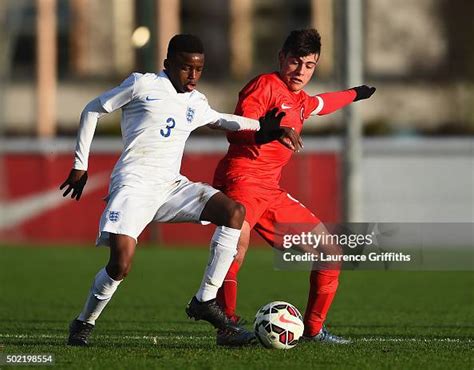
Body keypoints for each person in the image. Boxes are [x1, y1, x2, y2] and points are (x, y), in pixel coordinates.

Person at [60, 34, 296, 347]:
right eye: (186, 68)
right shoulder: (142, 85)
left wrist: (264, 128)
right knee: (120, 265)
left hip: (171, 186)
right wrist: (80, 164)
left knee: (233, 212)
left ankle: (204, 300)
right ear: (168, 63)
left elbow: (222, 120)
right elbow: (92, 109)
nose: (193, 75)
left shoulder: (196, 102)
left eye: (199, 69)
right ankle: (83, 322)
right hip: (133, 185)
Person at [213, 29, 376, 346]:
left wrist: (355, 93)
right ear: (281, 59)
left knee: (330, 251)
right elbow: (237, 130)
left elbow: (323, 103)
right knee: (234, 250)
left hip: (270, 192)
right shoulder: (264, 85)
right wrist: (270, 131)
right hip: (241, 181)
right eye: (295, 62)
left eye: (310, 65)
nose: (301, 71)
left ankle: (314, 330)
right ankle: (227, 330)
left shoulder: (300, 101)